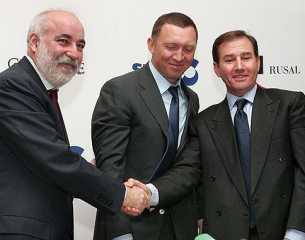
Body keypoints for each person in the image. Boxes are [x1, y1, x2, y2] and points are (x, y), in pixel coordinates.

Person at [0, 9, 150, 240]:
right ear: (34, 42)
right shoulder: (14, 86)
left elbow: (41, 161)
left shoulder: (41, 90)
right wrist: (122, 195)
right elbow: (55, 160)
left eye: (80, 46)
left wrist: (95, 168)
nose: (73, 53)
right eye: (63, 41)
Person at [92, 12, 201, 240]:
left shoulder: (192, 99)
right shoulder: (120, 91)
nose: (179, 56)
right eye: (171, 47)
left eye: (188, 49)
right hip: (130, 228)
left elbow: (186, 166)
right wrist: (120, 234)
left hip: (179, 229)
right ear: (151, 45)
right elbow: (109, 173)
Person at [190, 30, 305, 240]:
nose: (240, 66)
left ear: (258, 62)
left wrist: (295, 233)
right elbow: (193, 181)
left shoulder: (290, 105)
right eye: (229, 59)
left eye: (246, 57)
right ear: (217, 68)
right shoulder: (202, 123)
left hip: (282, 233)